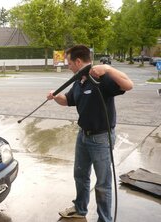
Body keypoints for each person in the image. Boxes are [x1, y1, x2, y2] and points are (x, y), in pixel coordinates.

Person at [47, 45, 133, 222]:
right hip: (83, 136)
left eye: (69, 63)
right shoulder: (79, 81)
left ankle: (104, 219)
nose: (68, 66)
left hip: (101, 138)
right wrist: (55, 96)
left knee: (102, 183)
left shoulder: (101, 77)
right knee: (80, 175)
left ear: (78, 61)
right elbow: (68, 100)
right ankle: (80, 209)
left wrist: (108, 68)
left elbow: (128, 85)